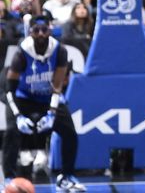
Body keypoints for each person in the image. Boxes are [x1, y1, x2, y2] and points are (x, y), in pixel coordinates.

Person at [3, 15, 85, 191]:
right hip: (22, 98)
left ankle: (66, 176)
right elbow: (9, 89)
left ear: (50, 29)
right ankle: (8, 178)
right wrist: (18, 116)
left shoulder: (60, 51)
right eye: (36, 30)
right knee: (11, 132)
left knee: (70, 132)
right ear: (30, 32)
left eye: (44, 29)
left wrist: (51, 113)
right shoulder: (21, 53)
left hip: (47, 98)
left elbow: (57, 87)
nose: (40, 34)